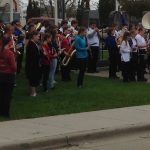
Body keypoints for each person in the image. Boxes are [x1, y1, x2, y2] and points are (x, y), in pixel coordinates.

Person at [0, 37, 17, 117]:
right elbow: (14, 67)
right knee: (7, 95)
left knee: (2, 94)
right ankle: (5, 112)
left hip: (1, 74)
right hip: (8, 76)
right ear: (8, 43)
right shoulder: (9, 53)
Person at [25, 32, 41, 97]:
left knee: (34, 78)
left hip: (34, 64)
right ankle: (32, 93)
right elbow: (34, 55)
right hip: (32, 65)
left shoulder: (33, 43)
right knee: (33, 78)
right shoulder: (31, 44)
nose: (38, 38)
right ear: (34, 36)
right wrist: (41, 54)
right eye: (38, 36)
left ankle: (33, 91)